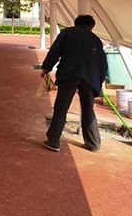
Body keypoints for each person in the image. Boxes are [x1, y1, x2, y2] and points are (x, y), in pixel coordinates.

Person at [41, 14, 108, 152]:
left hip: (69, 74)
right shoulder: (96, 39)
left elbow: (55, 51)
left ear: (76, 23)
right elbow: (103, 64)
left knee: (61, 108)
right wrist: (99, 82)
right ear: (91, 26)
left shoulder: (67, 33)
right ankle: (93, 143)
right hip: (90, 78)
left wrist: (46, 68)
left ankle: (53, 141)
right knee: (88, 109)